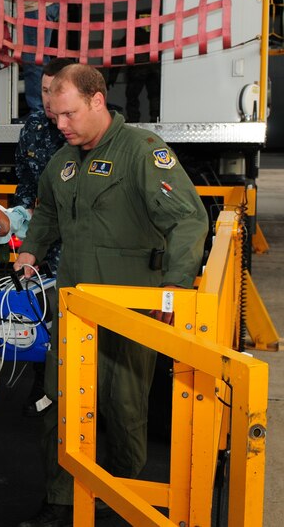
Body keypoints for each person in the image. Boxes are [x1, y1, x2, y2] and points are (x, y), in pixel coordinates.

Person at [13, 65, 207, 526]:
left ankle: (123, 492)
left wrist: (175, 290)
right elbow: (46, 217)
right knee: (60, 404)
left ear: (98, 101)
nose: (60, 125)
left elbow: (188, 220)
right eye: (54, 116)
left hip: (129, 309)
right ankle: (60, 499)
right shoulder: (62, 161)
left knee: (123, 406)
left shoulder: (142, 152)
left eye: (68, 114)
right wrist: (31, 253)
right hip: (73, 309)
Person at [12, 57, 75, 418]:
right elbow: (24, 175)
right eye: (44, 91)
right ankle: (44, 384)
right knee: (41, 312)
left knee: (72, 314)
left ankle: (72, 386)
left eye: (56, 91)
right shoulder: (34, 127)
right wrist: (23, 213)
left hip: (74, 244)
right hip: (42, 241)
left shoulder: (81, 130)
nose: (49, 100)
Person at [108, 18, 161, 123]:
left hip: (137, 71)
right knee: (154, 96)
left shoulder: (129, 38)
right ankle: (155, 118)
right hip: (152, 69)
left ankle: (134, 119)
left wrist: (112, 77)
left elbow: (117, 58)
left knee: (132, 97)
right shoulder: (149, 37)